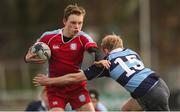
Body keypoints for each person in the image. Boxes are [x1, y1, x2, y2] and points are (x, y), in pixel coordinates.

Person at [33, 34, 170, 111]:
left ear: (104, 50)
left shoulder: (105, 64)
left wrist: (49, 81)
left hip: (148, 93)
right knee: (126, 109)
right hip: (159, 83)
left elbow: (74, 78)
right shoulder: (131, 52)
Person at [25, 4, 102, 111]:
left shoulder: (83, 37)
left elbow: (94, 50)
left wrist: (99, 60)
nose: (77, 26)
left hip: (76, 87)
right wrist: (27, 58)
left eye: (80, 23)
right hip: (55, 89)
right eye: (73, 22)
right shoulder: (49, 37)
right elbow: (33, 50)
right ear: (65, 21)